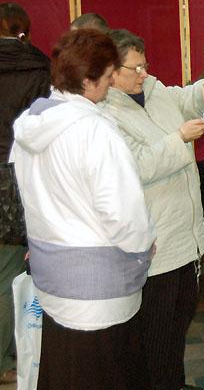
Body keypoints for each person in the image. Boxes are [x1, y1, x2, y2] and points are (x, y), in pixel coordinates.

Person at [10, 29, 156, 390]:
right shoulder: (95, 132)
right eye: (108, 77)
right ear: (89, 81)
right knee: (107, 372)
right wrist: (144, 245)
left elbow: (28, 196)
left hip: (53, 279)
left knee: (63, 372)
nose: (110, 86)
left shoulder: (32, 123)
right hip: (99, 292)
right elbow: (123, 215)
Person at [102, 28, 204, 390]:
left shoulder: (154, 91)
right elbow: (136, 167)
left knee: (178, 326)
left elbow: (187, 96)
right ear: (111, 72)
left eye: (145, 65)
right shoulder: (103, 115)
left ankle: (171, 383)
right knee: (154, 335)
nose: (144, 73)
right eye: (136, 68)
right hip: (153, 246)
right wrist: (179, 140)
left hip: (184, 238)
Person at [0, 1, 50, 385]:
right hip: (20, 178)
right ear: (25, 30)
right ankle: (16, 352)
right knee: (12, 269)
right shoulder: (40, 68)